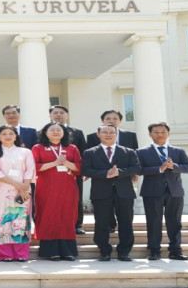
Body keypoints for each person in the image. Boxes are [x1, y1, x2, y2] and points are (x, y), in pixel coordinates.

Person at [82, 125, 141, 261]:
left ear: (116, 134)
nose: (108, 135)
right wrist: (105, 174)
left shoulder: (129, 151)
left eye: (111, 132)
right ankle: (104, 251)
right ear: (98, 135)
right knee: (101, 222)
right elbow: (86, 170)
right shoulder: (90, 152)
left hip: (124, 192)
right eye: (104, 132)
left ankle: (124, 251)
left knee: (126, 222)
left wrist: (119, 172)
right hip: (101, 192)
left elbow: (136, 168)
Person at [136, 122, 188, 261]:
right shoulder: (141, 152)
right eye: (156, 132)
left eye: (163, 132)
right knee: (153, 221)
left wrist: (174, 166)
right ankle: (154, 251)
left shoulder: (178, 151)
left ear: (168, 134)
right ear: (150, 134)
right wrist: (159, 169)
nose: (160, 135)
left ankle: (175, 251)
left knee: (175, 222)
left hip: (175, 191)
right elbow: (138, 170)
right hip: (152, 192)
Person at [32, 122, 82, 261]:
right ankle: (50, 251)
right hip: (46, 188)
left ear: (64, 132)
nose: (55, 132)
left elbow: (79, 168)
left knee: (67, 216)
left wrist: (66, 163)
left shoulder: (72, 148)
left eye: (58, 129)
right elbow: (33, 167)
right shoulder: (38, 147)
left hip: (67, 188)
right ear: (45, 133)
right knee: (49, 216)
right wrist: (55, 163)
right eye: (52, 130)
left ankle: (68, 251)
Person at [0, 125, 35, 262]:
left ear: (16, 136)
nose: (8, 136)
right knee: (1, 218)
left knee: (20, 219)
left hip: (23, 190)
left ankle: (20, 253)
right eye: (4, 134)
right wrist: (18, 185)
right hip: (0, 190)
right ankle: (3, 253)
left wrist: (23, 187)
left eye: (11, 133)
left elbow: (30, 170)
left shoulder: (25, 152)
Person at [85, 109, 139, 234]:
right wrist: (92, 173)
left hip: (123, 178)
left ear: (120, 121)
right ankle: (110, 228)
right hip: (102, 180)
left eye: (115, 119)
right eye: (108, 119)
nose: (111, 121)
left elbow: (136, 154)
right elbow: (89, 158)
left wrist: (132, 173)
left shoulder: (130, 135)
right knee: (103, 214)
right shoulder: (93, 137)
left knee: (125, 215)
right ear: (102, 121)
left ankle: (124, 248)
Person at [48, 105, 88, 235]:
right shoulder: (43, 132)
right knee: (52, 198)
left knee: (76, 198)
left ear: (67, 115)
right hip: (50, 173)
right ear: (50, 116)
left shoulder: (77, 132)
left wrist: (84, 171)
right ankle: (53, 222)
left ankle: (77, 224)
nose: (58, 115)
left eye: (62, 113)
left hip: (72, 172)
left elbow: (84, 153)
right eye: (55, 113)